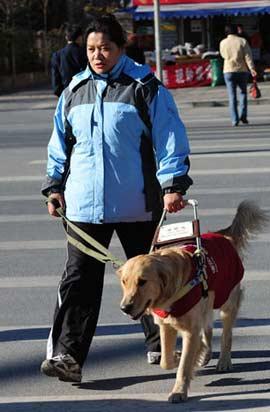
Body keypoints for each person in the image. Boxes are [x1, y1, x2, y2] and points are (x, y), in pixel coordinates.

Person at [40, 14, 193, 383]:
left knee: (150, 278)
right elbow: (60, 144)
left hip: (137, 203)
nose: (98, 55)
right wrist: (54, 185)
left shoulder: (145, 86)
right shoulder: (74, 90)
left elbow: (169, 136)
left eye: (105, 48)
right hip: (83, 206)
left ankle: (160, 340)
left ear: (120, 48)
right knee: (78, 280)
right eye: (91, 48)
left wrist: (173, 184)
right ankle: (67, 355)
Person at [220, 24, 257, 126]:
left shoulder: (223, 42)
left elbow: (223, 55)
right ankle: (243, 116)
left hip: (228, 70)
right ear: (236, 31)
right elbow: (248, 56)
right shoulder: (242, 41)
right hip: (242, 70)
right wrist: (252, 69)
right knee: (243, 93)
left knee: (232, 96)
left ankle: (234, 120)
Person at [50, 24, 88, 97]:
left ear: (66, 37)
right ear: (80, 37)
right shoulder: (85, 53)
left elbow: (55, 81)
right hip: (85, 94)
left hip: (66, 94)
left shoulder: (57, 55)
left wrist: (62, 95)